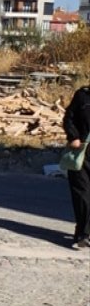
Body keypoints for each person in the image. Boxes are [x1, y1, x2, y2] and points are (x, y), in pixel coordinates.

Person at [64, 84, 90, 249]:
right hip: (82, 152)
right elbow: (69, 118)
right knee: (82, 193)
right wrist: (73, 136)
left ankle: (83, 231)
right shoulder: (82, 96)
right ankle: (84, 233)